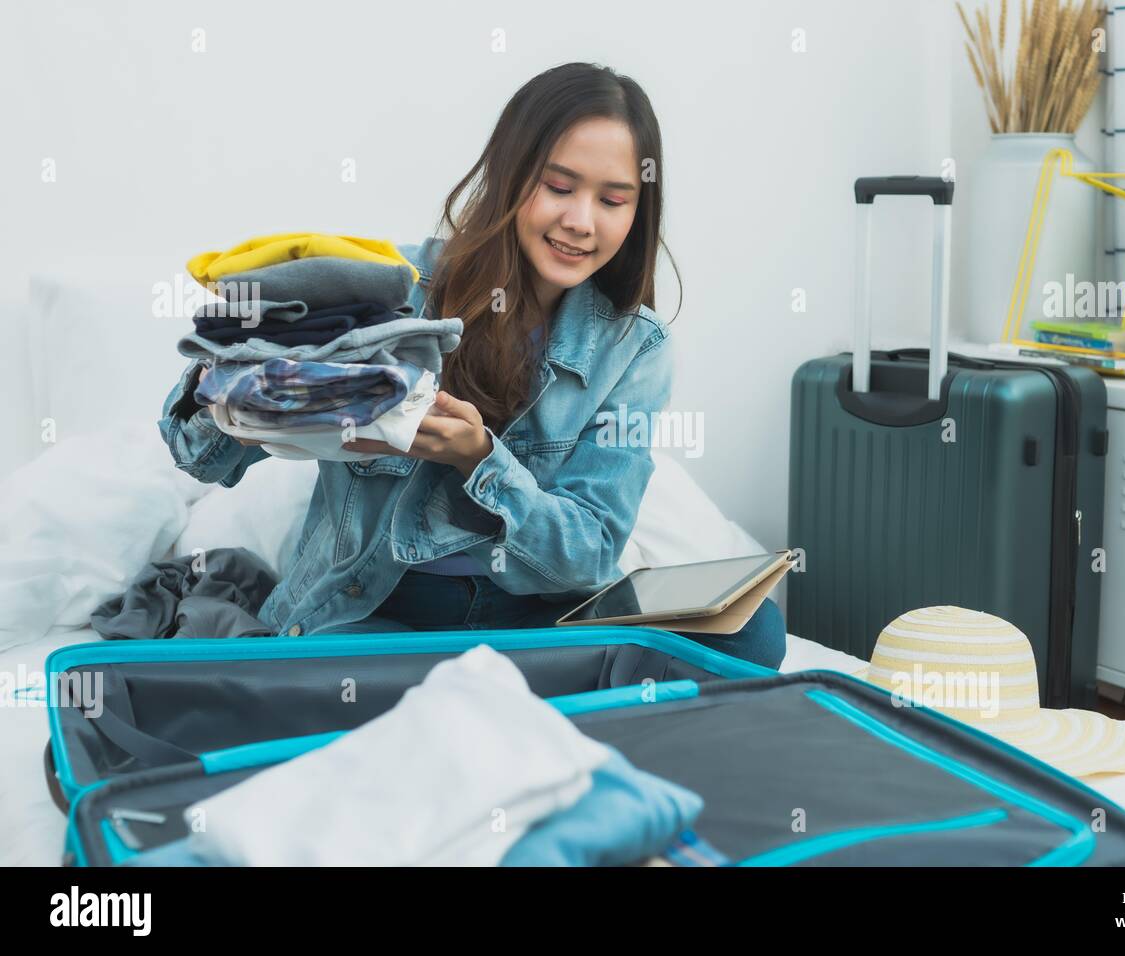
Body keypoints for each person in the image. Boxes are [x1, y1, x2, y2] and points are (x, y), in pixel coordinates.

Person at [160, 62, 786, 668]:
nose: (580, 221)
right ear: (511, 176)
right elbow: (204, 457)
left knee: (752, 630)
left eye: (613, 200)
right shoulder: (395, 287)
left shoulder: (634, 347)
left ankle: (485, 692)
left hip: (533, 616)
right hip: (378, 607)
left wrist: (478, 459)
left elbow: (589, 556)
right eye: (559, 187)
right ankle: (489, 697)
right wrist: (246, 378)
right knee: (383, 685)